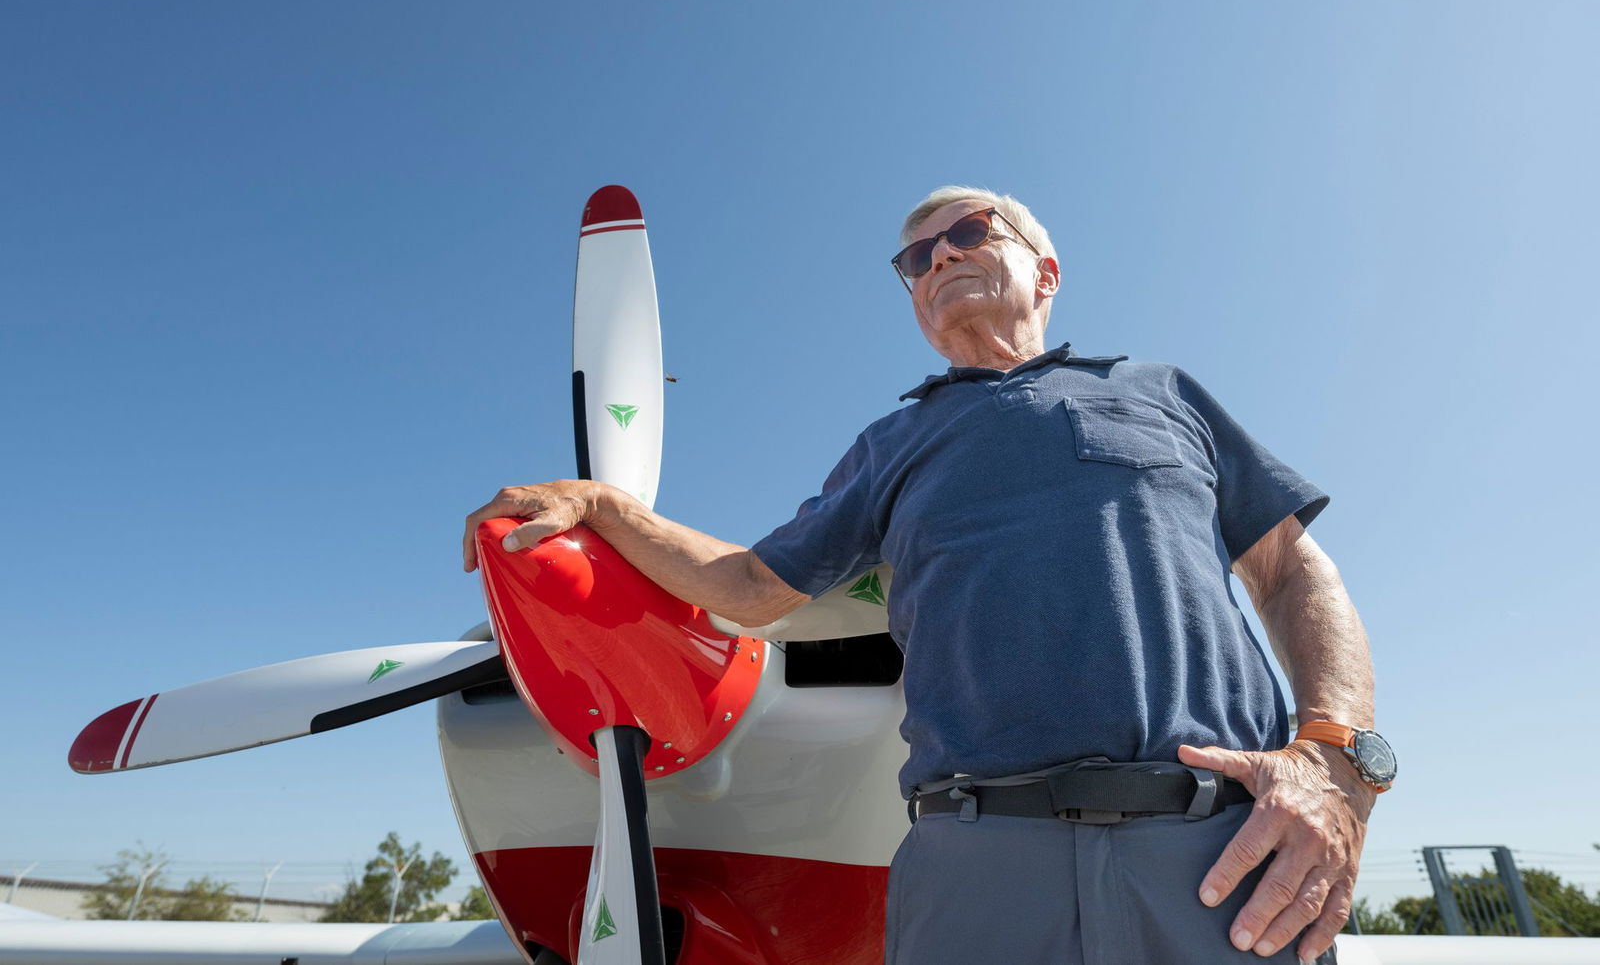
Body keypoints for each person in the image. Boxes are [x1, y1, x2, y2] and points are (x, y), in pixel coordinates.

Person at [463, 186, 1389, 964]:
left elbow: (1295, 573)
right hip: (973, 865)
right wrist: (607, 508)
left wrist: (1337, 759)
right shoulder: (890, 445)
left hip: (1221, 856)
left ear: (1046, 271)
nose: (938, 258)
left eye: (968, 233)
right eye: (916, 259)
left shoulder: (1162, 393)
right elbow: (749, 588)